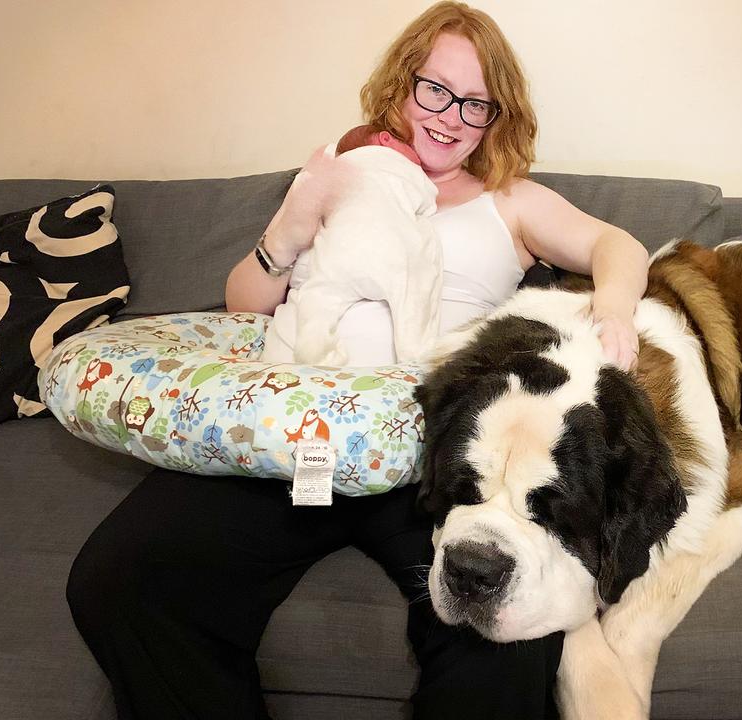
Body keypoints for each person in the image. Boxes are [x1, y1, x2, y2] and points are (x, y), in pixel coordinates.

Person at [65, 3, 649, 720]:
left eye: (475, 103)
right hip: (288, 438)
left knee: (510, 637)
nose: (449, 116)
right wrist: (291, 226)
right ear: (403, 85)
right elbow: (247, 306)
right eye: (434, 89)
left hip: (423, 462)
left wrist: (614, 306)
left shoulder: (510, 202)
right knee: (116, 577)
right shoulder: (349, 174)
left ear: (496, 116)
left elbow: (615, 246)